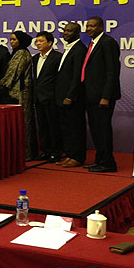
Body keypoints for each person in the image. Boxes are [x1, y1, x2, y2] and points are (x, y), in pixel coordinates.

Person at [82, 17, 121, 173]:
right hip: (91, 95)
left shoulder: (108, 42)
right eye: (87, 26)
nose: (89, 29)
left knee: (103, 130)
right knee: (96, 130)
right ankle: (100, 160)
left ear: (100, 27)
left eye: (92, 26)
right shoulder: (93, 43)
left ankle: (108, 163)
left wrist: (106, 96)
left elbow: (112, 71)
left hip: (102, 97)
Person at [0, 31, 37, 160]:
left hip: (21, 93)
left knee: (23, 122)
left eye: (14, 39)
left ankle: (26, 153)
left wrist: (1, 84)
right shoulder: (16, 52)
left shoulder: (22, 53)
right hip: (15, 92)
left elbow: (13, 73)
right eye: (11, 39)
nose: (12, 42)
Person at [54, 22, 88, 168]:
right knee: (66, 128)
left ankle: (77, 157)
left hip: (73, 98)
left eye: (70, 31)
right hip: (62, 97)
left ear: (77, 33)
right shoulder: (69, 48)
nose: (66, 33)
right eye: (65, 30)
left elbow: (77, 76)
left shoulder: (79, 49)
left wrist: (70, 96)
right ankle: (69, 155)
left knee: (76, 128)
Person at [32, 31, 62, 162]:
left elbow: (60, 79)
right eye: (36, 41)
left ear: (49, 43)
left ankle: (56, 152)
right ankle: (46, 151)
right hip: (38, 98)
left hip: (52, 98)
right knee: (42, 126)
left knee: (53, 126)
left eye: (41, 41)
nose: (38, 43)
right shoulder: (35, 58)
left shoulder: (57, 57)